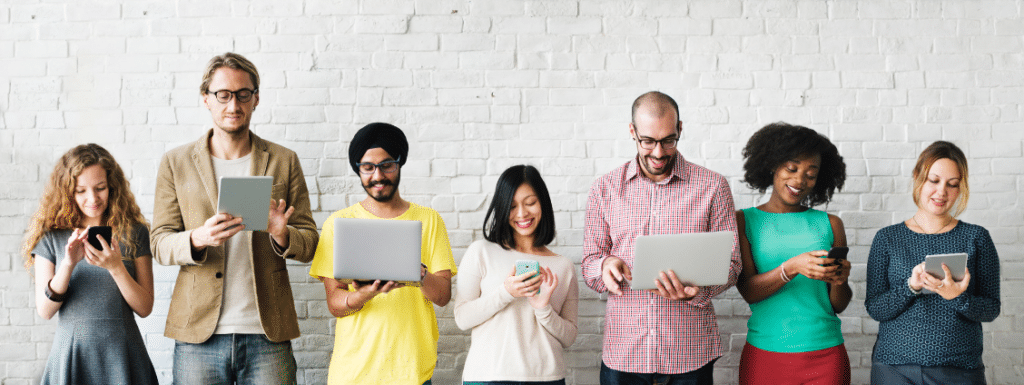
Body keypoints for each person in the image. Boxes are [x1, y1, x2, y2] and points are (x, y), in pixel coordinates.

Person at [150, 52, 319, 384]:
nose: (233, 105)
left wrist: (281, 234)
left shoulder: (283, 160)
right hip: (198, 333)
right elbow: (159, 243)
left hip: (267, 333)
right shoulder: (176, 162)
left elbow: (311, 242)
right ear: (206, 99)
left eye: (243, 94)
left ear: (256, 99)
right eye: (223, 95)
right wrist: (198, 238)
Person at [580, 91, 742, 385]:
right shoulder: (604, 189)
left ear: (680, 129)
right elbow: (590, 264)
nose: (658, 152)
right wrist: (604, 266)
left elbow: (732, 264)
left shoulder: (713, 187)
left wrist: (698, 291)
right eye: (648, 141)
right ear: (632, 132)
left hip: (690, 353)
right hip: (624, 354)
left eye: (669, 140)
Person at [309, 122, 457, 385]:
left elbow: (443, 296)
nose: (377, 175)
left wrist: (417, 271)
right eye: (368, 167)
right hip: (354, 373)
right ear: (358, 169)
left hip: (412, 373)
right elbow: (335, 303)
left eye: (387, 165)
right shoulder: (338, 223)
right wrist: (363, 295)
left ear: (400, 164)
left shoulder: (429, 220)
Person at [865, 140, 1000, 385]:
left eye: (952, 184)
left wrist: (957, 297)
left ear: (961, 188)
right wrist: (911, 288)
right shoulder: (887, 238)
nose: (941, 192)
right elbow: (875, 308)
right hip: (893, 368)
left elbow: (991, 309)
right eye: (934, 180)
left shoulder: (976, 237)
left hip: (959, 370)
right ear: (918, 177)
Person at [23, 144, 158, 384]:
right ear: (68, 192)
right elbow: (45, 310)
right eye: (81, 191)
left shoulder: (134, 232)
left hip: (123, 356)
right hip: (72, 357)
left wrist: (116, 268)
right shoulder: (51, 237)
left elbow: (145, 307)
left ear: (112, 187)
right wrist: (68, 264)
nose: (93, 199)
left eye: (100, 188)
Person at [734, 123, 852, 385]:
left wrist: (840, 281)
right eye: (792, 168)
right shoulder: (744, 221)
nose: (800, 180)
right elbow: (748, 291)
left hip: (826, 354)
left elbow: (838, 305)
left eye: (811, 173)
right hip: (766, 354)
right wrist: (792, 267)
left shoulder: (830, 224)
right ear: (773, 165)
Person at [455, 165, 579, 385]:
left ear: (543, 203)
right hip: (487, 377)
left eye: (530, 203)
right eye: (512, 206)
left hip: (547, 378)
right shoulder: (482, 252)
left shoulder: (563, 266)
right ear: (502, 208)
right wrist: (506, 292)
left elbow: (569, 337)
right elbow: (462, 318)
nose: (522, 214)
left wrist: (543, 309)